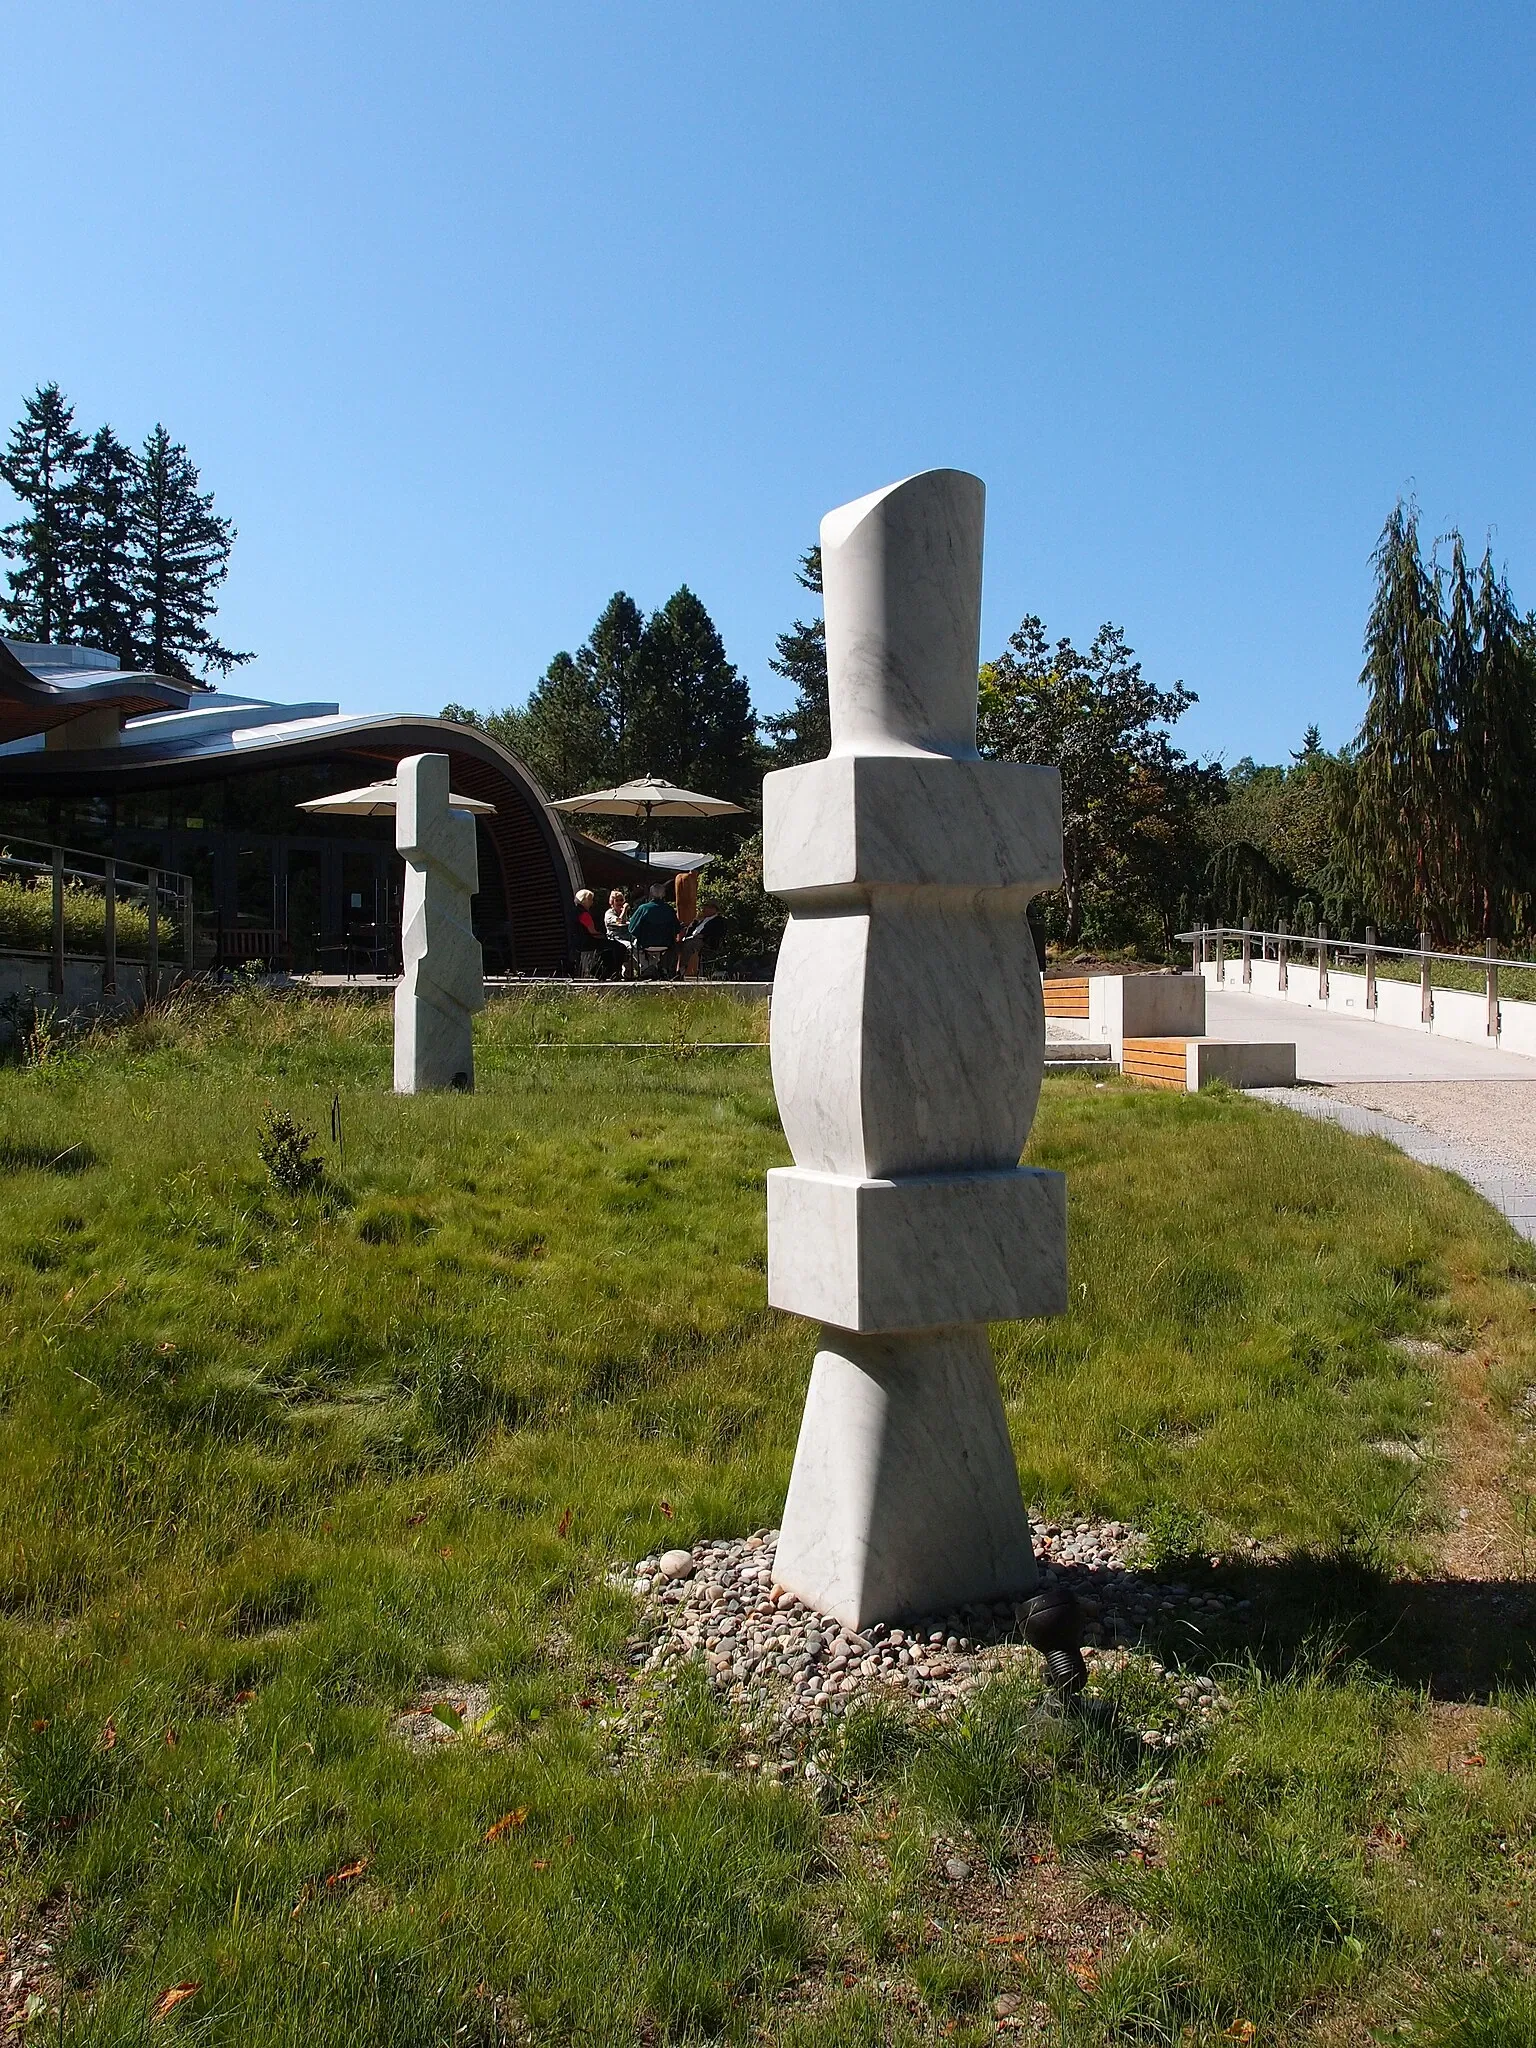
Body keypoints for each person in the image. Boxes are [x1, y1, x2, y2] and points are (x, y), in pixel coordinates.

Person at [627, 878, 678, 975]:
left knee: (631, 946)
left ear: (650, 894)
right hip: (666, 943)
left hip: (645, 943)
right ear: (663, 894)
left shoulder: (643, 909)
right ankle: (655, 967)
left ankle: (646, 967)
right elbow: (676, 928)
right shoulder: (669, 910)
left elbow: (631, 929)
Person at [675, 900, 728, 977]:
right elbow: (689, 931)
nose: (703, 910)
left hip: (706, 941)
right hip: (693, 938)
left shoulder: (718, 921)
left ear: (713, 909)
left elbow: (716, 933)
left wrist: (702, 936)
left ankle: (681, 970)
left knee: (688, 945)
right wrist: (695, 921)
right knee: (675, 946)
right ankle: (671, 970)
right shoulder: (701, 919)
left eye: (706, 908)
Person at [604, 888, 633, 977]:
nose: (620, 902)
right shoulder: (609, 913)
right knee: (629, 947)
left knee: (638, 945)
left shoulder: (623, 913)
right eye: (617, 900)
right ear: (612, 902)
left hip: (627, 937)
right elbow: (620, 921)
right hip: (615, 938)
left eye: (621, 900)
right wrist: (624, 910)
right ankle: (623, 971)